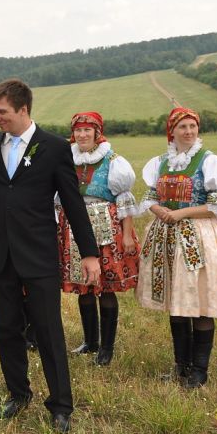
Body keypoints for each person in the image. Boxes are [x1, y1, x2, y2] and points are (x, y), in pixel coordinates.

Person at [0, 78, 99, 433]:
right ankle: (18, 393)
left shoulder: (54, 147)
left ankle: (60, 405)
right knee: (6, 327)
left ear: (23, 109)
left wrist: (89, 253)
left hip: (38, 253)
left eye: (2, 112)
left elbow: (72, 202)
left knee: (48, 329)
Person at [136, 107, 217, 388]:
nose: (188, 131)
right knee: (176, 303)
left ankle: (199, 371)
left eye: (192, 126)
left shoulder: (209, 161)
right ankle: (181, 366)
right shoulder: (160, 163)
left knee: (201, 303)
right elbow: (150, 197)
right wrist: (159, 210)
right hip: (167, 237)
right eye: (183, 127)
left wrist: (182, 213)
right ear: (172, 131)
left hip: (200, 238)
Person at [58, 112, 139, 367]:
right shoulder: (67, 159)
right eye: (78, 130)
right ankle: (90, 341)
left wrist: (127, 235)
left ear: (97, 132)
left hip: (107, 228)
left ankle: (107, 347)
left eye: (87, 130)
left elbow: (124, 200)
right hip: (74, 227)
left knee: (105, 287)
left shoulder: (113, 161)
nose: (82, 135)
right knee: (84, 286)